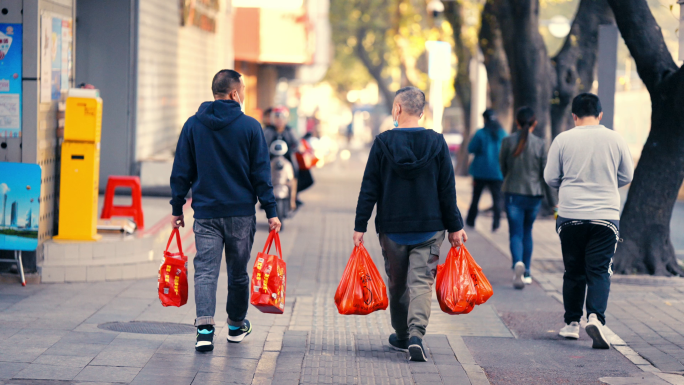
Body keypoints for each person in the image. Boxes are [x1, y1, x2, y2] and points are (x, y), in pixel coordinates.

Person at [170, 69, 281, 352]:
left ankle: (205, 331)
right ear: (234, 93)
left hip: (206, 213)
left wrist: (177, 207)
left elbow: (181, 170)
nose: (243, 95)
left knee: (205, 271)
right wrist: (271, 211)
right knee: (237, 272)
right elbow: (261, 175)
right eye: (242, 90)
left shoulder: (194, 125)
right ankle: (235, 326)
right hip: (241, 214)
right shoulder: (251, 127)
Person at [353, 86, 468, 362]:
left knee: (397, 283)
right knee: (421, 283)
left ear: (397, 109)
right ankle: (417, 334)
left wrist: (360, 226)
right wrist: (455, 227)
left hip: (393, 228)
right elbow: (447, 189)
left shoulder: (382, 143)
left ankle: (402, 335)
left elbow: (369, 187)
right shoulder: (437, 142)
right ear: (422, 112)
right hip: (430, 227)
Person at [544, 93, 633, 349]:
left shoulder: (563, 140)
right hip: (605, 216)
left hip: (571, 216)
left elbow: (550, 177)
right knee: (599, 270)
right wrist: (606, 184)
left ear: (574, 116)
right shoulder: (615, 139)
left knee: (573, 271)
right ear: (600, 114)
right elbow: (627, 174)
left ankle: (572, 324)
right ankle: (596, 318)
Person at [499, 107, 555, 289]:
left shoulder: (507, 141)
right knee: (527, 231)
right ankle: (528, 272)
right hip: (534, 195)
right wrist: (553, 203)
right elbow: (545, 174)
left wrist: (510, 179)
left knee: (515, 232)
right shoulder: (540, 144)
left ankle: (517, 264)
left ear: (517, 122)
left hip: (513, 193)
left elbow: (503, 167)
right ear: (534, 123)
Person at [466, 109, 508, 231]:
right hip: (497, 172)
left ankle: (470, 221)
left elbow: (471, 148)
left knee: (476, 197)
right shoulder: (503, 134)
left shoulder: (480, 133)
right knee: (497, 199)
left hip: (480, 172)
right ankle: (496, 223)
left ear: (484, 119)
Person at [264, 107, 300, 210]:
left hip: (287, 158)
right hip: (271, 158)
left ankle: (293, 199)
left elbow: (297, 144)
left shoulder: (290, 131)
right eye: (276, 117)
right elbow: (261, 143)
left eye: (282, 117)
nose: (279, 120)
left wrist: (297, 148)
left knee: (295, 170)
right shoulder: (268, 131)